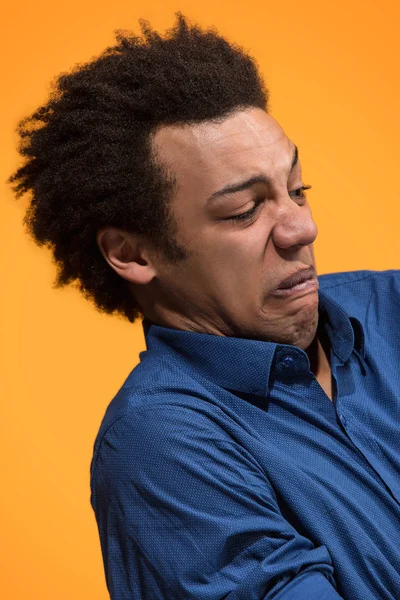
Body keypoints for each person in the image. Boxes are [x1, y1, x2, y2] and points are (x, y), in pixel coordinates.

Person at [7, 13, 400, 600]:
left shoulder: (389, 303)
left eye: (298, 189)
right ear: (132, 252)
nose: (302, 227)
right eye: (245, 210)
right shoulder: (159, 447)